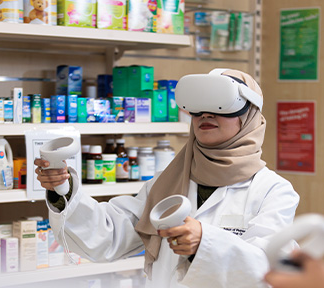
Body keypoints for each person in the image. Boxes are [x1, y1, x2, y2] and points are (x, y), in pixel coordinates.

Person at [35, 69, 300, 287]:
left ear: (250, 117)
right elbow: (109, 237)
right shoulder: (168, 182)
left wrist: (205, 242)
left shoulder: (272, 191)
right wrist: (63, 189)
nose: (206, 114)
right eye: (197, 107)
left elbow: (271, 268)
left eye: (222, 105)